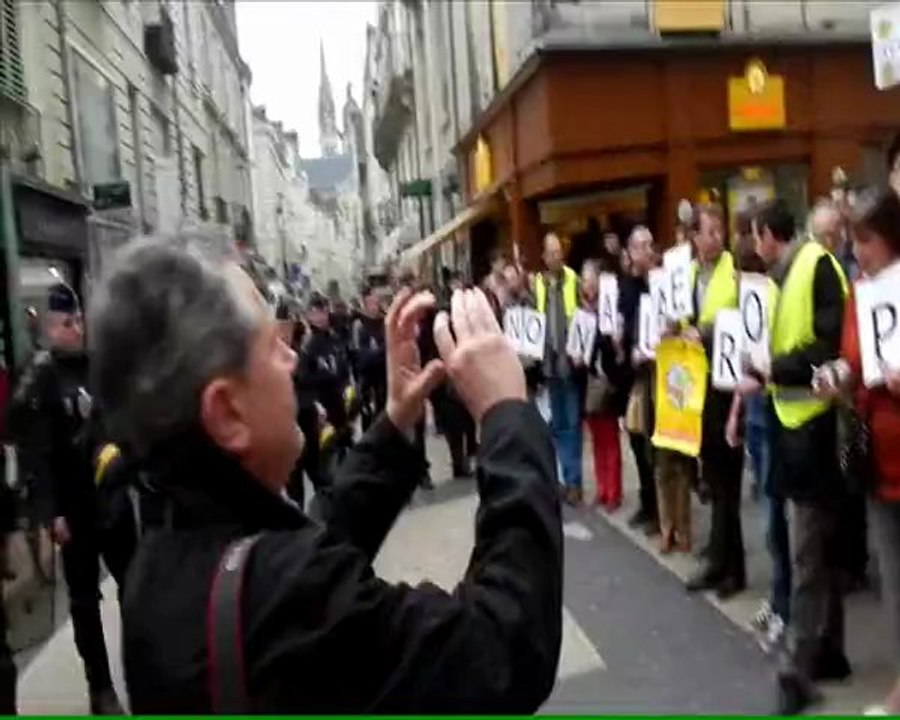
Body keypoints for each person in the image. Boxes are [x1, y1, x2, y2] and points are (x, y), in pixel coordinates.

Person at [87, 233, 563, 713]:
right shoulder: (286, 596)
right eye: (273, 344)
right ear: (227, 412)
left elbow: (309, 542)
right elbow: (503, 648)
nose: (293, 358)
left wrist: (394, 422)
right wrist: (507, 415)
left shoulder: (156, 563)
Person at [742, 199, 849, 715]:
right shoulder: (785, 274)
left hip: (817, 426)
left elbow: (830, 344)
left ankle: (800, 669)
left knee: (808, 547)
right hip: (794, 425)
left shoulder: (815, 265)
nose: (754, 246)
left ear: (768, 234)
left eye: (755, 235)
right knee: (813, 545)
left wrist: (774, 366)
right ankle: (830, 650)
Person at [8, 284, 122, 714]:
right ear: (51, 328)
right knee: (84, 600)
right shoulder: (40, 376)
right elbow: (35, 453)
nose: (77, 329)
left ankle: (143, 666)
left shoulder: (96, 367)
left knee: (135, 583)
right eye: (67, 323)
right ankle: (101, 689)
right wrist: (50, 511)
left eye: (79, 320)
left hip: (110, 498)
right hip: (73, 509)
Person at [812, 189, 900, 715]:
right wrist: (836, 376)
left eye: (864, 240)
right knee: (894, 581)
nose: (857, 251)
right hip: (879, 459)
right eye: (853, 240)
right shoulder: (860, 293)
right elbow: (853, 359)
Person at [681, 204, 745, 596]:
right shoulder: (688, 275)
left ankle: (730, 569)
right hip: (695, 387)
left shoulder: (733, 271)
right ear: (694, 236)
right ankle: (720, 562)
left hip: (726, 388)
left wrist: (703, 333)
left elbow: (738, 322)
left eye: (719, 230)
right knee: (714, 480)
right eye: (709, 231)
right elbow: (679, 316)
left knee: (729, 484)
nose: (716, 236)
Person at [535, 232, 583, 505]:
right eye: (550, 253)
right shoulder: (539, 284)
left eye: (558, 252)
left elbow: (584, 316)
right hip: (550, 366)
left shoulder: (573, 280)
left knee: (573, 425)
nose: (555, 257)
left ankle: (574, 482)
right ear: (544, 256)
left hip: (570, 365)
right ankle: (566, 479)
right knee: (559, 426)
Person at [577, 261, 627, 511]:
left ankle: (614, 491)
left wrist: (616, 343)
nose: (587, 284)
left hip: (607, 381)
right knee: (596, 438)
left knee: (610, 439)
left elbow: (618, 354)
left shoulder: (610, 310)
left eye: (589, 279)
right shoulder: (582, 312)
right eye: (584, 280)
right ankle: (601, 488)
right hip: (589, 381)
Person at [621, 227, 659, 534]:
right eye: (641, 246)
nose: (647, 251)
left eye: (650, 245)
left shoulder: (660, 282)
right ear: (631, 252)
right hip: (634, 378)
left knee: (656, 446)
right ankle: (648, 503)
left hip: (659, 374)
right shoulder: (626, 288)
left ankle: (662, 513)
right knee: (637, 441)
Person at [352, 285, 387, 432]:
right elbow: (363, 358)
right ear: (365, 302)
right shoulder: (359, 325)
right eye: (372, 301)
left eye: (377, 300)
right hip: (368, 381)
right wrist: (382, 350)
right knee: (370, 421)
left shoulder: (385, 321)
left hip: (385, 379)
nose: (375, 304)